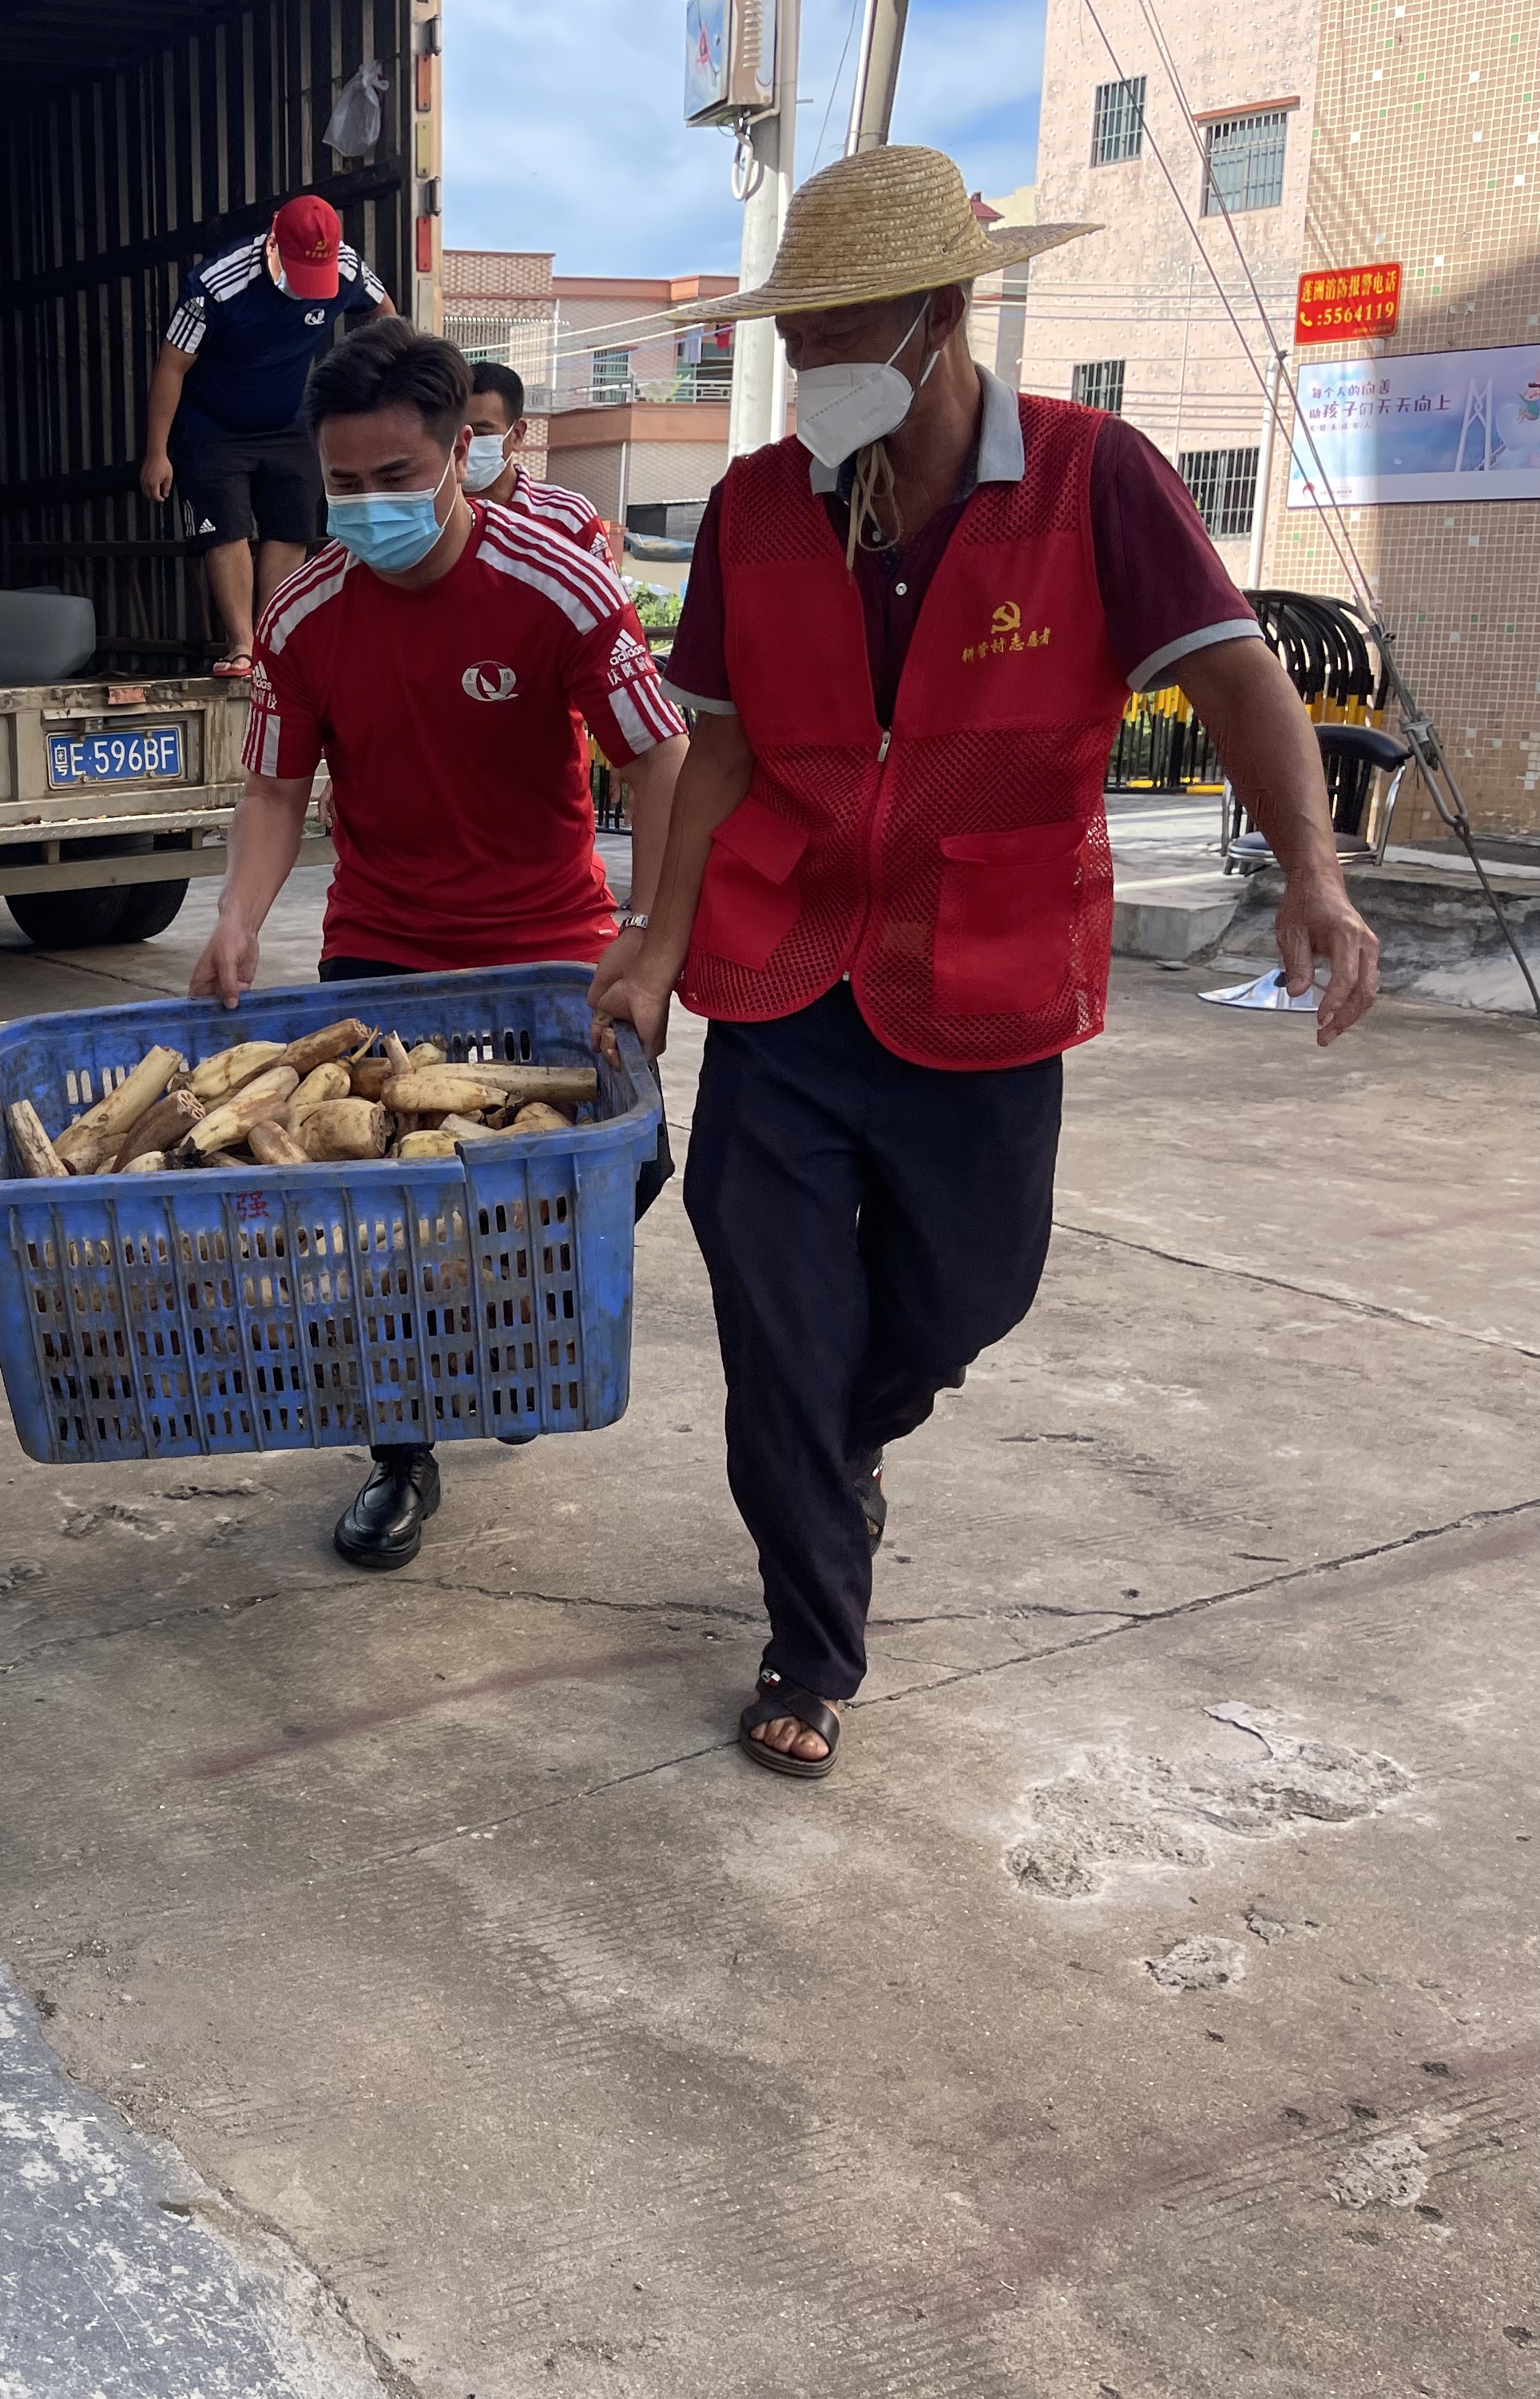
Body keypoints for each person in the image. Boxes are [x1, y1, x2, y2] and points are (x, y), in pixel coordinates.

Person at [589, 146, 1381, 1781]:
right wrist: (653, 942)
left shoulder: (1099, 478)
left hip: (987, 972)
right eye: (794, 340)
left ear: (943, 319)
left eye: (840, 334)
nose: (809, 368)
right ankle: (810, 1641)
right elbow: (718, 752)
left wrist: (1313, 872)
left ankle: (849, 1441)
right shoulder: (754, 505)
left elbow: (1238, 683)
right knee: (778, 1327)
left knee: (967, 1296)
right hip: (787, 973)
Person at [192, 316, 691, 1569]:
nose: (367, 507)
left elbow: (662, 753)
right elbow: (270, 789)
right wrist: (238, 917)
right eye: (343, 484)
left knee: (622, 1168)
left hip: (552, 946)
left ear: (460, 454)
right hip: (385, 949)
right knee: (379, 1212)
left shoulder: (556, 580)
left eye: (396, 479)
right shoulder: (303, 613)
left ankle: (507, 1331)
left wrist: (649, 935)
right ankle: (400, 1451)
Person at [141, 193, 393, 676]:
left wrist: (376, 384)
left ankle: (272, 644)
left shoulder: (346, 267)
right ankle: (242, 645)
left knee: (290, 527)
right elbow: (172, 367)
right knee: (226, 529)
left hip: (288, 420)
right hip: (213, 424)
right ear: (274, 243)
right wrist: (157, 453)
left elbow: (384, 313)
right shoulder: (215, 285)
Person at [458, 360, 613, 560]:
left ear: (517, 434)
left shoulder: (569, 519)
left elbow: (606, 590)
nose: (466, 444)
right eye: (458, 432)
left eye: (481, 433)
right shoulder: (432, 514)